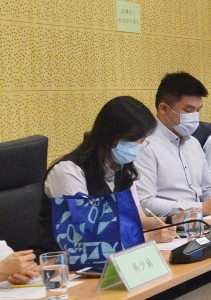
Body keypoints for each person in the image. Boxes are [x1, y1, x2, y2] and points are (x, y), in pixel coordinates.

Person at [41, 96, 177, 249]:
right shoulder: (67, 172)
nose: (139, 146)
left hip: (113, 255)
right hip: (63, 259)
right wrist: (147, 237)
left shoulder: (121, 167)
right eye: (136, 141)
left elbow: (136, 218)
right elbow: (83, 234)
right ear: (112, 136)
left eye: (142, 141)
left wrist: (173, 221)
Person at [134, 72, 211, 218]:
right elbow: (145, 203)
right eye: (188, 110)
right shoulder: (144, 144)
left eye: (198, 110)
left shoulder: (193, 143)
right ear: (163, 108)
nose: (195, 116)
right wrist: (200, 208)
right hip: (169, 225)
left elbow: (207, 189)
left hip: (201, 221)